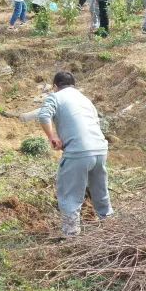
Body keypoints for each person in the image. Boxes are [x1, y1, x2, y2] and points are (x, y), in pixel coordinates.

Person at [35, 71, 112, 237]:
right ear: (73, 85)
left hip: (78, 151)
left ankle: (71, 236)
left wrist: (53, 137)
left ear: (55, 86)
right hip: (100, 149)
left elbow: (43, 115)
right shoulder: (84, 99)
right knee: (100, 192)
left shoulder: (55, 97)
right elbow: (96, 122)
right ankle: (111, 229)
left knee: (69, 195)